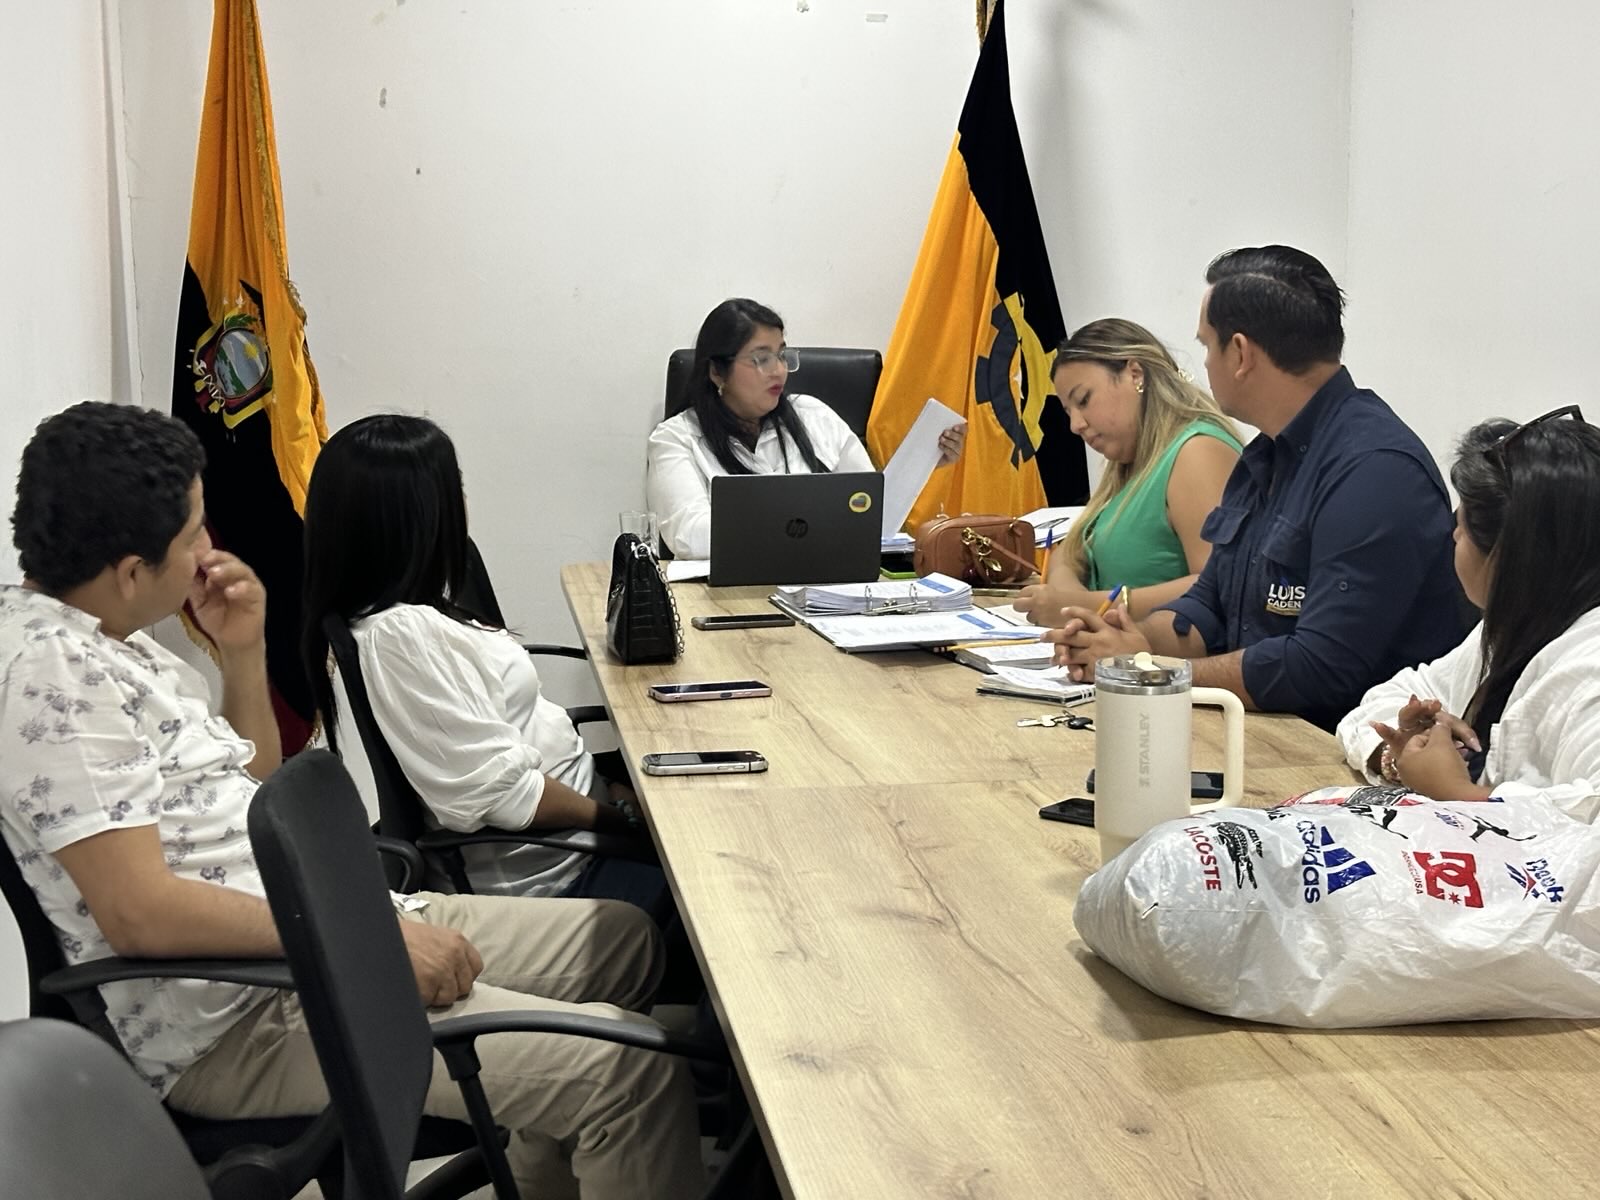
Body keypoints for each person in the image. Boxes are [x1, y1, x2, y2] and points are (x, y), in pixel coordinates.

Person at [0, 402, 703, 1199]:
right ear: (132, 571)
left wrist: (242, 653)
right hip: (244, 1017)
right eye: (195, 532)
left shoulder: (103, 642)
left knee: (625, 945)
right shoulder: (54, 679)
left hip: (319, 933)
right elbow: (140, 913)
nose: (207, 551)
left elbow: (251, 789)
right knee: (629, 1073)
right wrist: (368, 943)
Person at [1046, 245, 1466, 730]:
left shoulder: (1375, 471)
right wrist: (1123, 641)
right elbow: (1208, 605)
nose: (1204, 363)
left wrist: (1156, 672)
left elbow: (1320, 667)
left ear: (1241, 353)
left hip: (1335, 750)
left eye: (1207, 346)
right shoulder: (1265, 455)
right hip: (1260, 731)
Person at [301, 413, 674, 921]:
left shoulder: (411, 612)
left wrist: (613, 792)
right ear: (416, 514)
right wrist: (623, 816)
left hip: (581, 823)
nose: (462, 501)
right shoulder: (402, 635)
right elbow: (507, 798)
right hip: (562, 872)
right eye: (452, 487)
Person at [1337, 410, 1600, 818]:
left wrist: (1455, 792)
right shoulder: (1521, 621)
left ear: (1509, 554)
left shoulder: (1588, 670)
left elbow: (1589, 827)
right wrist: (1403, 754)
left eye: (1462, 526)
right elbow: (1390, 697)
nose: (1454, 536)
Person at [646, 297, 965, 559]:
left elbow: (872, 510)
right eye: (761, 359)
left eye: (781, 355)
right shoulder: (676, 439)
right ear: (717, 371)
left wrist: (922, 461)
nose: (779, 371)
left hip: (826, 591)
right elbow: (691, 537)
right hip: (726, 598)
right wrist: (801, 520)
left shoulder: (814, 416)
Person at [1014, 318, 1242, 624]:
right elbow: (1070, 552)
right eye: (1069, 411)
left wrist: (1085, 606)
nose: (1075, 425)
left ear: (1135, 374)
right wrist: (1068, 599)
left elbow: (1220, 585)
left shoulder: (1197, 452)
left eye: (1084, 400)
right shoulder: (1132, 462)